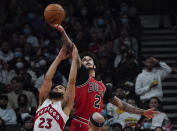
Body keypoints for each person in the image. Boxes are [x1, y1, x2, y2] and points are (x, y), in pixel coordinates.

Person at [50, 24, 159, 131]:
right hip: (81, 123)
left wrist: (142, 112)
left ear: (95, 65)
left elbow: (123, 105)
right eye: (84, 60)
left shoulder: (103, 86)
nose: (87, 60)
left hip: (96, 126)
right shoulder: (81, 76)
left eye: (89, 59)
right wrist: (63, 31)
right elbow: (72, 48)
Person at [33, 44, 79, 131]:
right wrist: (59, 58)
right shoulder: (43, 102)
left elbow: (71, 83)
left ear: (65, 94)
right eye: (55, 87)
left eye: (61, 87)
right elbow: (47, 79)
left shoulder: (65, 105)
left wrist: (74, 59)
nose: (57, 87)